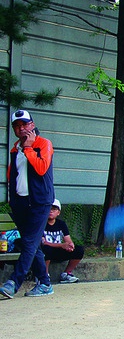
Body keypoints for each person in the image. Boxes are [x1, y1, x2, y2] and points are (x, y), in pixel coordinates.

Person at [1, 109, 55, 299]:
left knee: (29, 242)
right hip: (21, 203)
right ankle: (45, 283)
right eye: (17, 126)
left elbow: (41, 169)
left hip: (40, 202)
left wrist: (30, 148)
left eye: (25, 124)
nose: (21, 128)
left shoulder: (44, 144)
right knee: (32, 244)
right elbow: (11, 175)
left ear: (32, 125)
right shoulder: (15, 149)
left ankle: (13, 282)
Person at [41, 199, 84, 284]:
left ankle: (66, 274)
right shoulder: (41, 223)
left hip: (58, 250)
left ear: (58, 212)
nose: (51, 211)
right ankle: (44, 275)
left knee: (79, 250)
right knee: (46, 249)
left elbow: (67, 239)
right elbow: (43, 242)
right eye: (49, 208)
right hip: (46, 251)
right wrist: (61, 245)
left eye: (54, 209)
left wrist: (70, 245)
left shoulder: (61, 224)